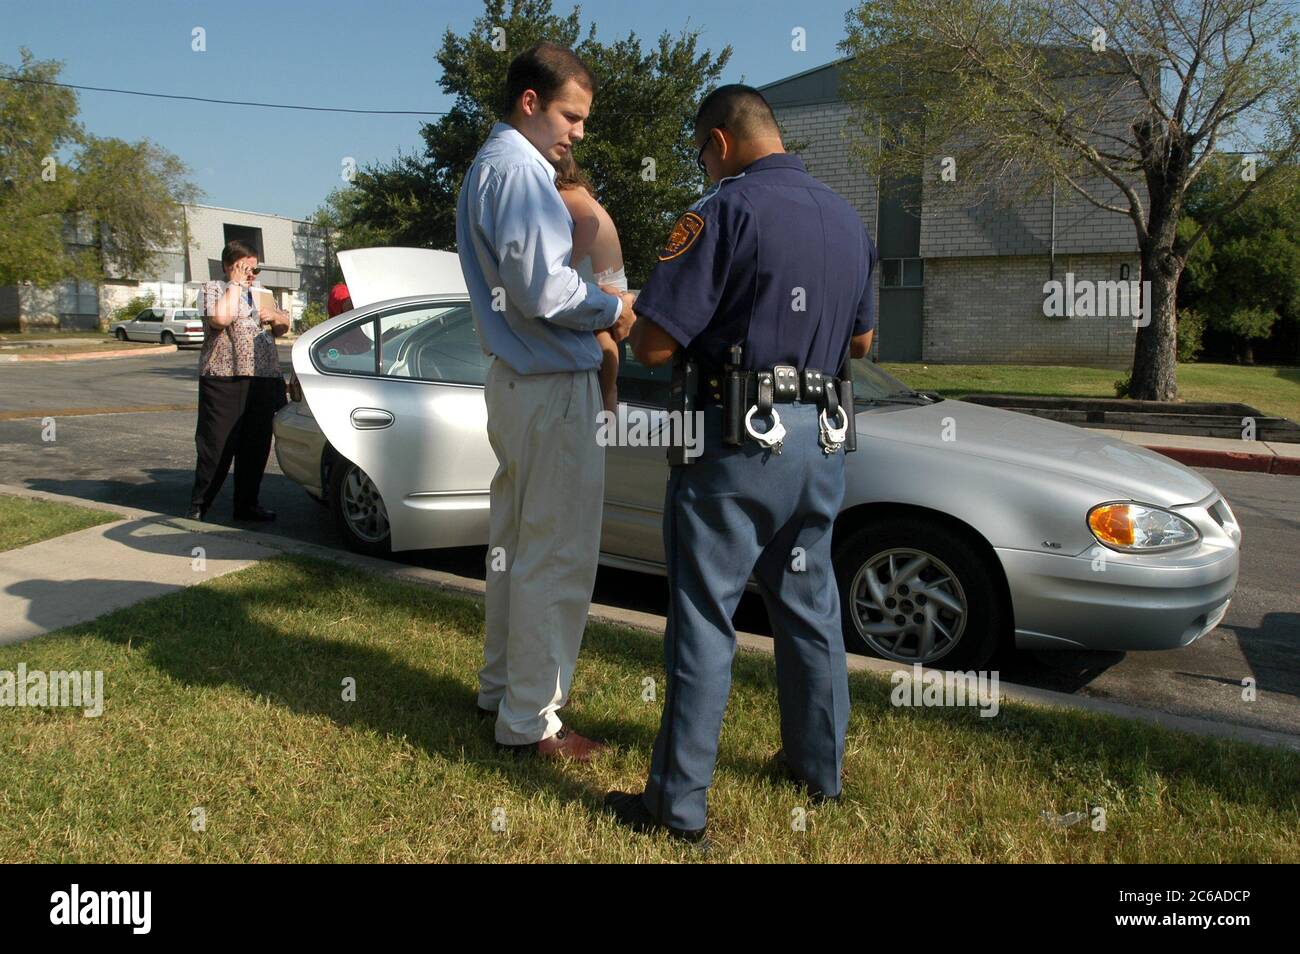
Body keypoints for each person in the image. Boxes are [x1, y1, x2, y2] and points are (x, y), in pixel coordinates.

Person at [603, 85, 878, 841]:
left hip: (735, 443)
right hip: (820, 441)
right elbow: (861, 344)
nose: (701, 165)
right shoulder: (849, 220)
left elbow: (656, 345)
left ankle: (676, 807)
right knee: (812, 611)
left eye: (699, 152)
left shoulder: (719, 211)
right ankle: (819, 771)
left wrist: (634, 315)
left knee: (704, 618)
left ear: (719, 143)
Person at [455, 41, 637, 760]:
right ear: (530, 102)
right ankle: (529, 720)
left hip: (515, 382)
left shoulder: (490, 166)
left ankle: (503, 689)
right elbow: (544, 291)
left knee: (514, 549)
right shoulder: (524, 173)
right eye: (571, 115)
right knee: (553, 556)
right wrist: (613, 308)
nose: (578, 133)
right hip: (551, 386)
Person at [187, 239, 291, 522]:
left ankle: (246, 505)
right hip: (224, 378)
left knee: (255, 446)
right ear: (228, 266)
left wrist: (276, 316)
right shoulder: (213, 289)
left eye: (254, 270)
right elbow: (220, 319)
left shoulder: (262, 293)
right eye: (244, 268)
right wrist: (234, 286)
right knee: (216, 445)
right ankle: (200, 505)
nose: (250, 275)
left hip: (262, 377)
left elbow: (284, 327)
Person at [551, 152, 625, 415]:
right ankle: (609, 391)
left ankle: (608, 392)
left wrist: (566, 264)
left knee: (601, 336)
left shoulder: (567, 195)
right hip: (609, 278)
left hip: (603, 282)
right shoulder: (583, 193)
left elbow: (588, 223)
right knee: (602, 336)